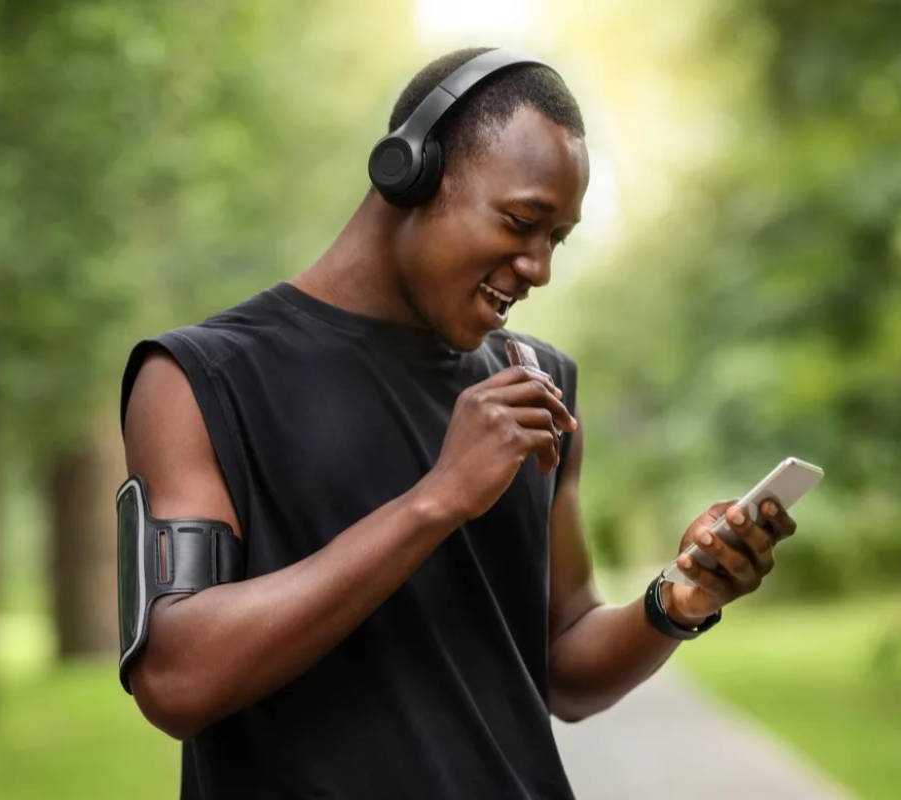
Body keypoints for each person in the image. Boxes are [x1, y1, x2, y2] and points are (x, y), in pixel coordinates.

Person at [118, 46, 798, 799]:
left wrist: (677, 600)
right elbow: (175, 678)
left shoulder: (539, 389)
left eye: (557, 239)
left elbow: (564, 664)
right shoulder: (198, 382)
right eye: (521, 221)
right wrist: (437, 499)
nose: (539, 266)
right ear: (409, 172)